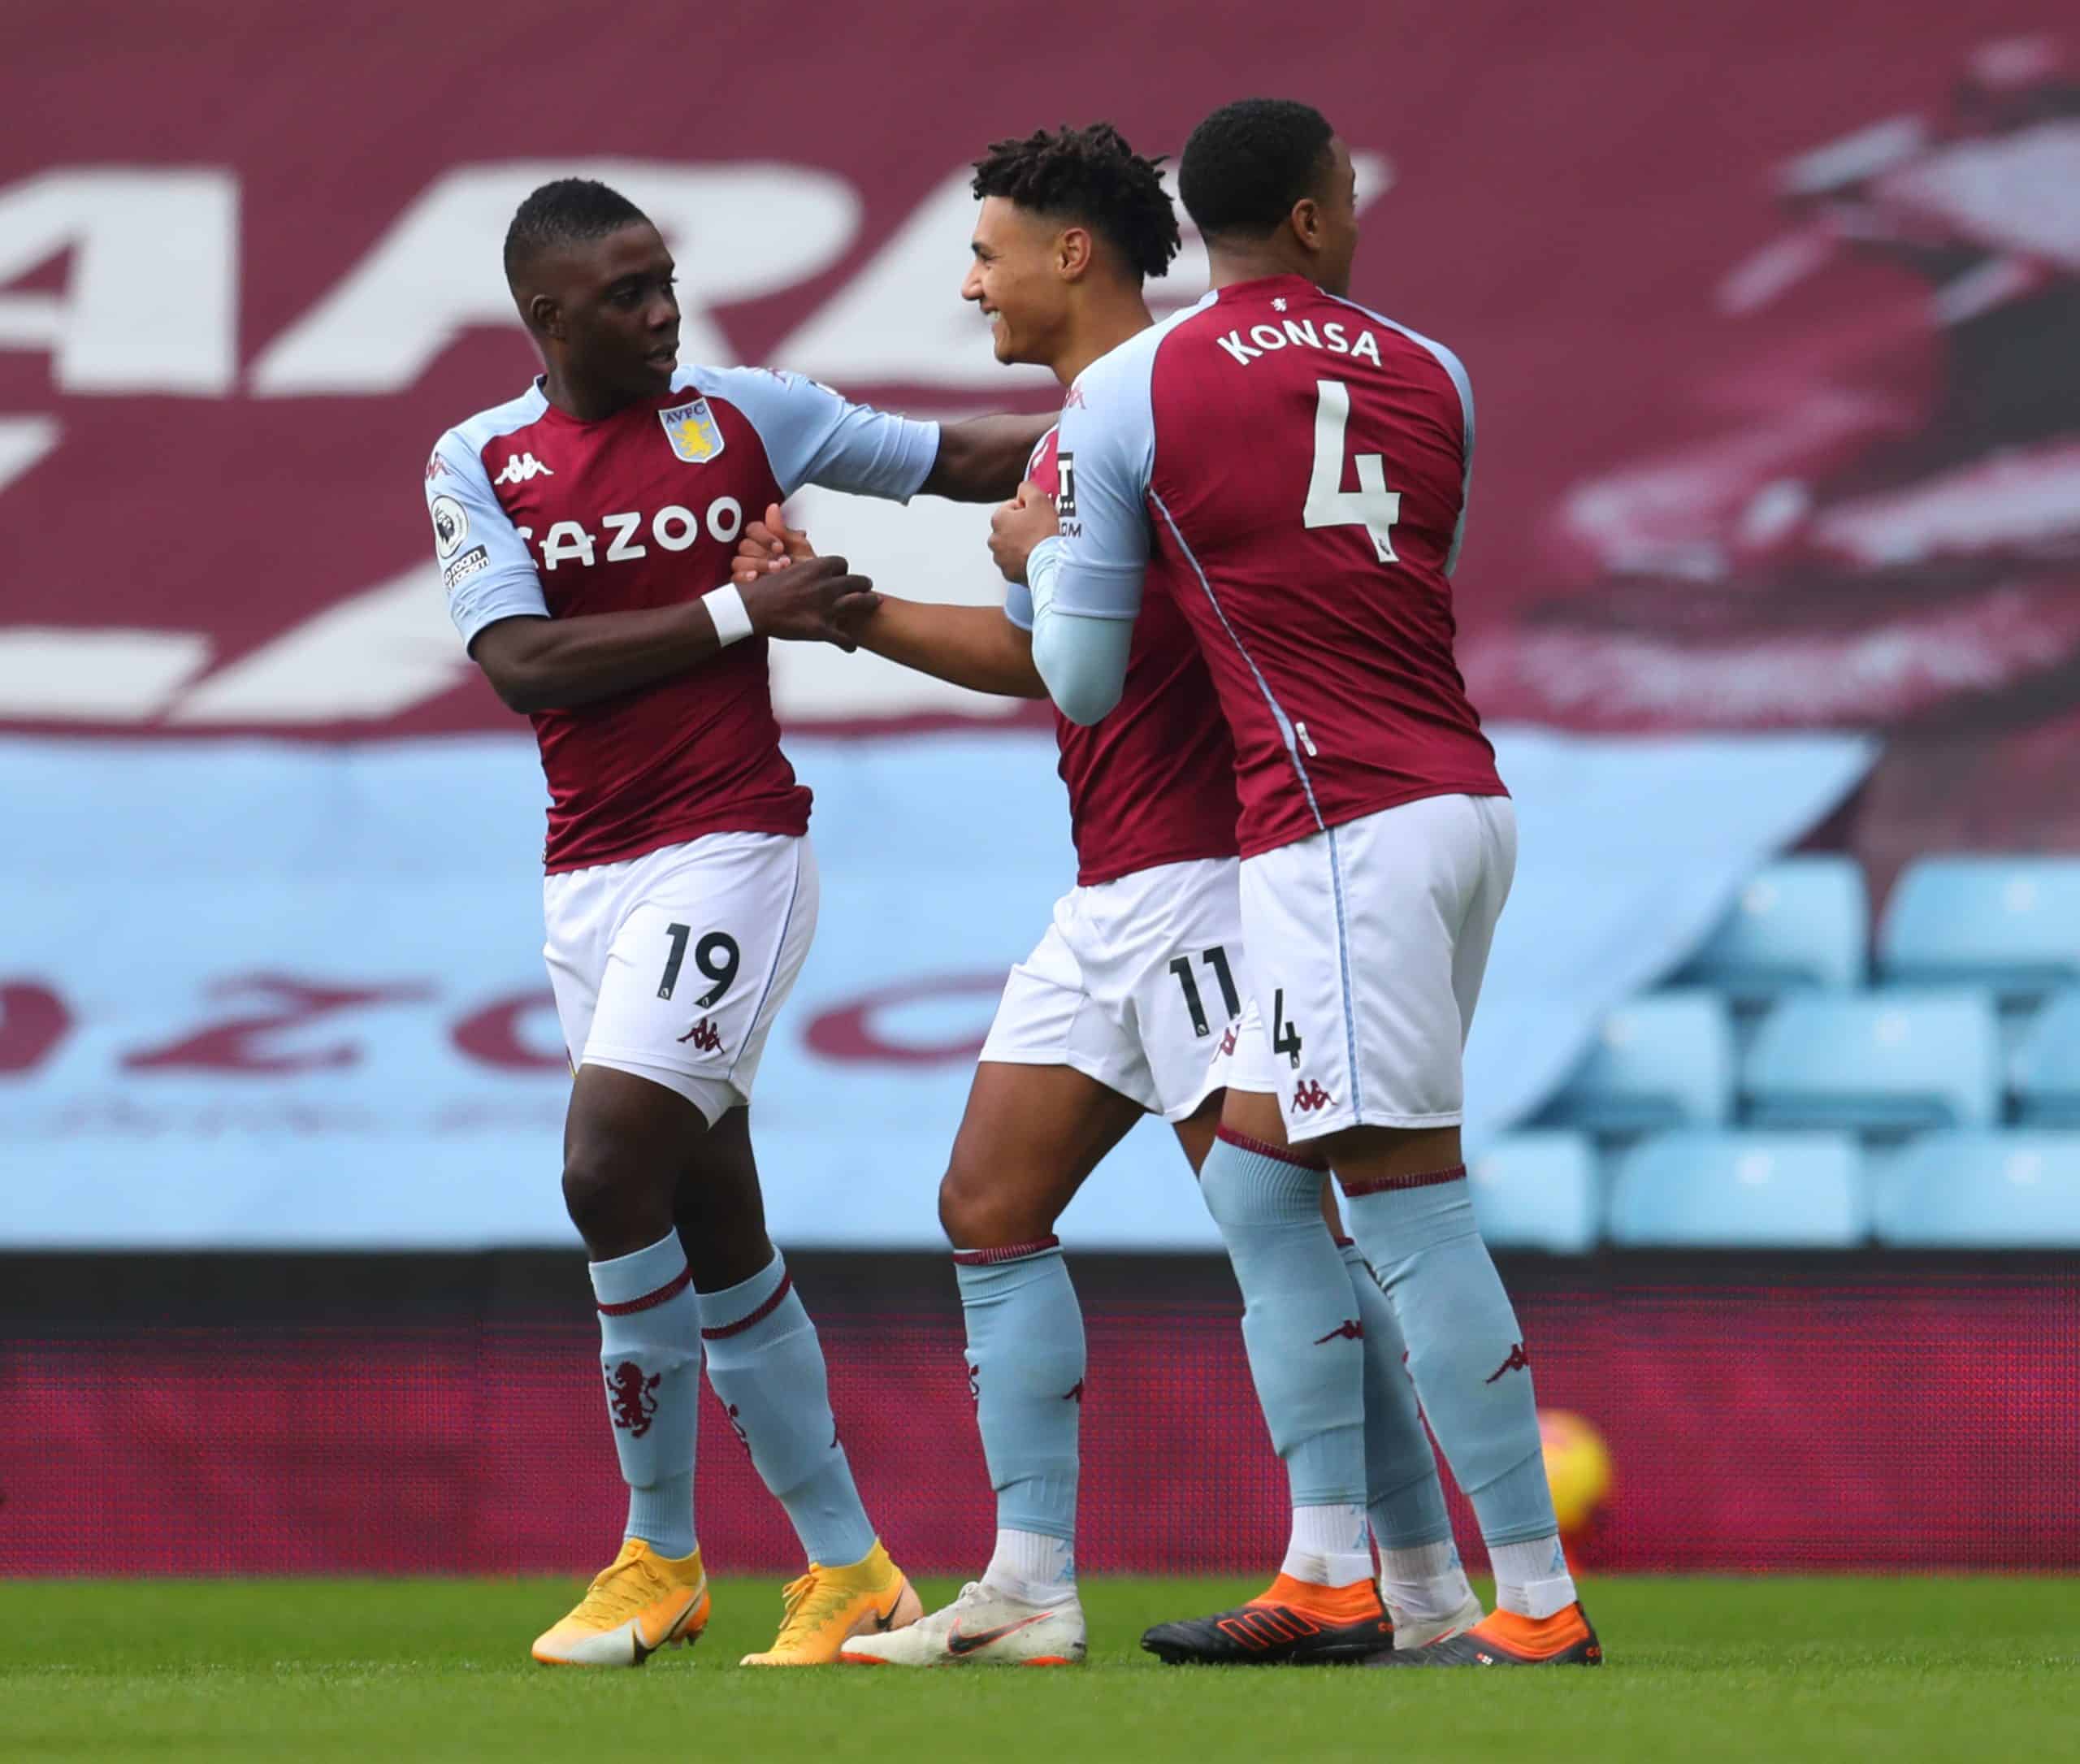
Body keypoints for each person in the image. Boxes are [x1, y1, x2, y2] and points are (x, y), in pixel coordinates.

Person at [736, 124, 1480, 1669]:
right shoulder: (1089, 426)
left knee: (1285, 1230)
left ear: (1073, 254)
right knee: (990, 1204)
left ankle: (1408, 1586)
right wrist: (847, 609)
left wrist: (875, 603)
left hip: (1211, 878)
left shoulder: (1160, 404)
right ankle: (1030, 1585)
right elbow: (1051, 661)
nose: (971, 285)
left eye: (988, 253)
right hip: (1114, 888)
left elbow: (1148, 641)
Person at [988, 98, 1601, 1667]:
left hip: (1336, 827)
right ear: (1317, 216)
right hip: (1456, 799)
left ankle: (1536, 1604)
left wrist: (1035, 550)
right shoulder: (1434, 370)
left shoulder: (1134, 388)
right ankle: (1331, 1570)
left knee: (1408, 1206)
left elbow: (1081, 680)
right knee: (1264, 1182)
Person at [421, 176, 1049, 1668]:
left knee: (603, 1169)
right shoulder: (478, 459)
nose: (663, 313)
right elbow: (521, 663)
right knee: (715, 1227)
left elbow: (956, 458)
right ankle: (852, 1569)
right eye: (626, 294)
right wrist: (736, 613)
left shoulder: (746, 414)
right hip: (589, 879)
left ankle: (658, 1555)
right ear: (547, 316)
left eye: (665, 281)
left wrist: (1145, 410)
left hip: (733, 849)